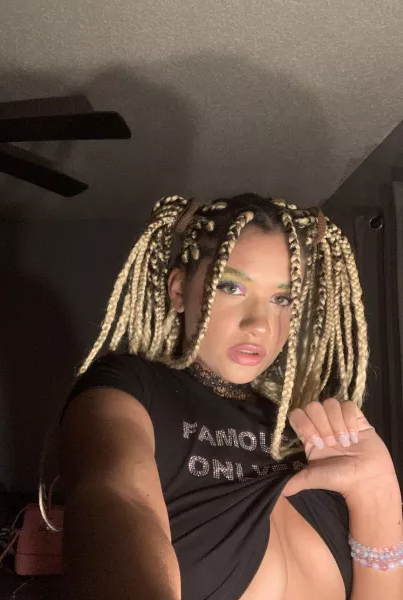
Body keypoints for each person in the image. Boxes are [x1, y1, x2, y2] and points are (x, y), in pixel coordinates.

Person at [44, 193, 403, 600]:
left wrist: (378, 495)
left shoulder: (303, 430)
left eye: (282, 298)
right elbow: (117, 496)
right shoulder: (130, 392)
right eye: (231, 286)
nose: (260, 324)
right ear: (179, 290)